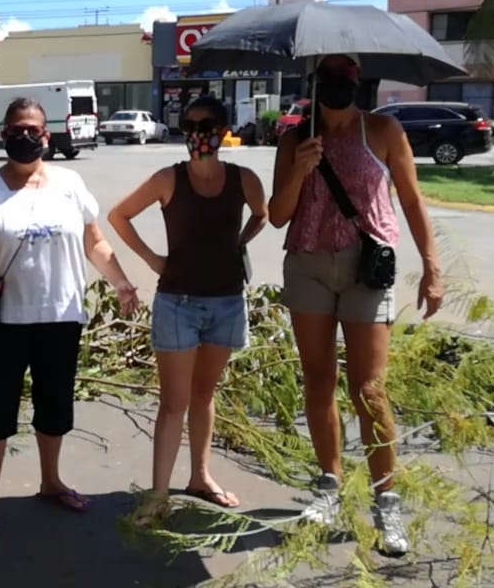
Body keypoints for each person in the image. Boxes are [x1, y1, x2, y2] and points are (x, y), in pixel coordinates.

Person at [0, 97, 140, 531]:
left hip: (61, 313)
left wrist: (121, 281)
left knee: (54, 404)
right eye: (17, 129)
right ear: (4, 135)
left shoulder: (71, 184)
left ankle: (51, 481)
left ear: (46, 135)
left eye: (33, 130)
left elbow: (95, 241)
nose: (25, 137)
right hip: (2, 318)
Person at [268, 54, 444, 558]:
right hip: (307, 264)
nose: (338, 86)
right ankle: (329, 485)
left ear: (360, 83)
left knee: (369, 390)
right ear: (315, 83)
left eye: (347, 79)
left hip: (367, 267)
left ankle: (386, 501)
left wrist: (432, 267)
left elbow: (410, 200)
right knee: (318, 379)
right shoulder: (293, 138)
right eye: (329, 79)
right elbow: (278, 216)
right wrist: (300, 169)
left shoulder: (383, 130)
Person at [107, 95, 267, 516]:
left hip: (227, 302)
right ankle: (159, 495)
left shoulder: (243, 178)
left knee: (204, 393)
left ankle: (200, 475)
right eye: (191, 124)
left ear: (223, 128)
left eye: (208, 123)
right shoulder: (168, 179)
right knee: (174, 401)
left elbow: (262, 214)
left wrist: (240, 242)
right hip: (177, 302)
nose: (199, 132)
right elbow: (119, 216)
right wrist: (152, 259)